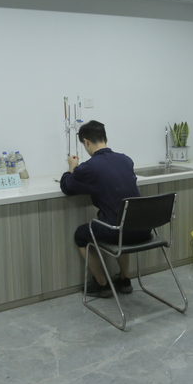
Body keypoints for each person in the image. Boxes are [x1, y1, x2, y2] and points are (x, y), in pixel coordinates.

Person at [59, 120, 147, 298]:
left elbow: (67, 187)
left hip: (116, 231)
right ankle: (125, 279)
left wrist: (72, 167)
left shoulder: (89, 167)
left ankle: (101, 283)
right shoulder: (126, 160)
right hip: (143, 228)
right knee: (123, 221)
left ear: (86, 142)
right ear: (106, 139)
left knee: (81, 235)